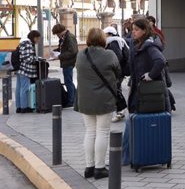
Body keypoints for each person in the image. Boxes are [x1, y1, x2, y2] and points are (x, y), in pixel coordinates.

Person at [74, 28, 120, 180]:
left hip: (85, 100)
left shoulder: (81, 55)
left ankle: (89, 167)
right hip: (104, 100)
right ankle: (100, 168)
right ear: (102, 39)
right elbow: (118, 72)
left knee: (90, 131)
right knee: (102, 132)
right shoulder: (109, 55)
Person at [128, 18, 168, 113]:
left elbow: (161, 61)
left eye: (136, 29)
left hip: (149, 91)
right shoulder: (137, 44)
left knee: (145, 122)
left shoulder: (149, 46)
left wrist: (150, 75)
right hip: (141, 89)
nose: (133, 32)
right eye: (132, 29)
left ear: (144, 31)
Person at [104, 26, 130, 122]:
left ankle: (120, 111)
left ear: (109, 34)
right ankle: (119, 110)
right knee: (116, 90)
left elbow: (117, 57)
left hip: (118, 71)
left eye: (105, 34)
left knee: (115, 90)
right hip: (119, 70)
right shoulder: (117, 41)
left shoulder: (113, 42)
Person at [51, 23, 78, 108]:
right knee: (68, 81)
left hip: (69, 62)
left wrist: (59, 56)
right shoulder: (64, 38)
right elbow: (62, 48)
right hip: (66, 62)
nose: (57, 36)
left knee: (68, 82)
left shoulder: (69, 37)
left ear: (60, 32)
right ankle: (75, 99)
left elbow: (72, 51)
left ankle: (71, 101)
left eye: (57, 34)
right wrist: (55, 51)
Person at [15, 30, 41, 113]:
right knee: (24, 88)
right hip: (25, 70)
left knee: (19, 88)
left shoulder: (23, 43)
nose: (38, 41)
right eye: (38, 38)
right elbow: (28, 59)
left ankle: (18, 107)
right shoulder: (28, 44)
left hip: (20, 69)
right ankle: (24, 107)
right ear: (34, 37)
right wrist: (36, 59)